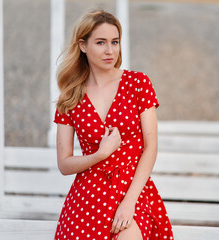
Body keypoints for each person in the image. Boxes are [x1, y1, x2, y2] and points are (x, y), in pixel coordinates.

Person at [53, 9, 174, 240]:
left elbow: (151, 147)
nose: (110, 50)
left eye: (115, 42)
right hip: (88, 195)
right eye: (101, 42)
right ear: (83, 45)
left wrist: (129, 203)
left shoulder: (138, 83)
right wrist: (100, 154)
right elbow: (64, 164)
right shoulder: (69, 97)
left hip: (133, 190)